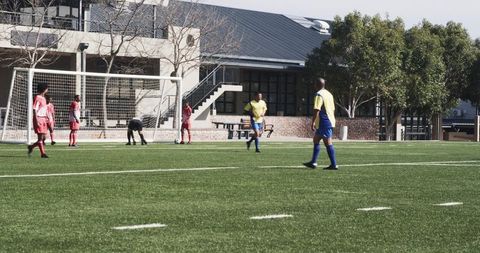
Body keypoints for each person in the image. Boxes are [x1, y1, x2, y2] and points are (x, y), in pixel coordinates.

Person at [304, 78, 338, 170]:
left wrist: (313, 121)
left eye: (315, 84)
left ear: (317, 85)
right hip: (329, 119)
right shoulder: (329, 94)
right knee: (316, 139)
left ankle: (334, 164)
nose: (314, 86)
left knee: (328, 142)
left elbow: (317, 109)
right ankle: (313, 162)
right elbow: (333, 109)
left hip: (324, 121)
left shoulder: (319, 94)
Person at [28, 83, 49, 158]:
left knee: (43, 138)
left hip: (43, 118)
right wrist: (36, 120)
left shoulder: (44, 98)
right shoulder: (37, 97)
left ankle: (31, 147)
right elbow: (35, 109)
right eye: (46, 88)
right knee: (40, 137)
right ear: (44, 89)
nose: (47, 89)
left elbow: (44, 109)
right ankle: (43, 154)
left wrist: (47, 117)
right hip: (39, 118)